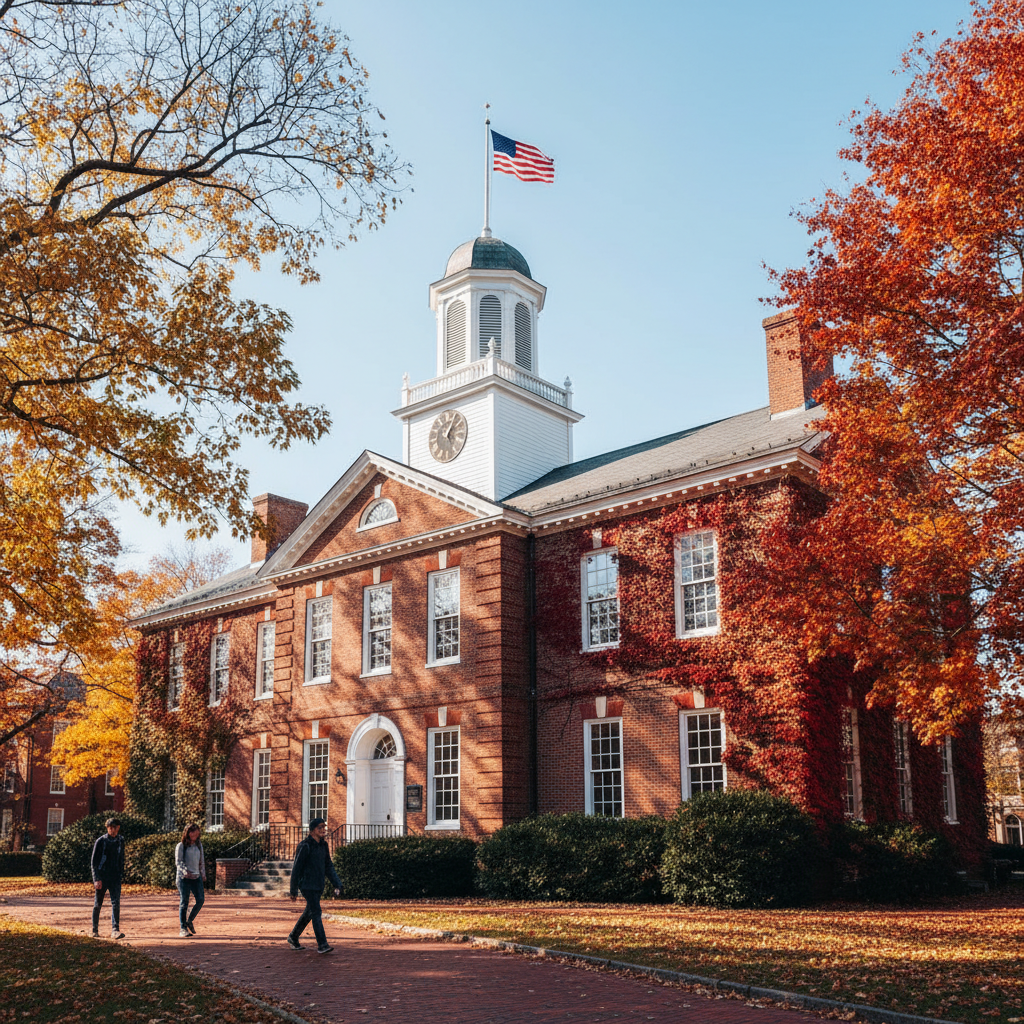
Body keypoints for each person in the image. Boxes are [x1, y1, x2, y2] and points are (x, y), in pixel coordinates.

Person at [287, 817, 341, 953]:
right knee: (316, 912)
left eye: (324, 827)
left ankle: (293, 937)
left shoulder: (324, 845)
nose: (323, 830)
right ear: (312, 831)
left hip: (318, 884)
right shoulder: (305, 846)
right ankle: (322, 945)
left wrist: (337, 884)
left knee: (309, 912)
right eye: (320, 828)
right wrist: (293, 890)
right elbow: (296, 869)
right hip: (306, 885)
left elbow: (328, 866)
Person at [91, 817, 125, 939]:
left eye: (115, 828)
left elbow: (121, 858)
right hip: (102, 877)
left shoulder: (121, 841)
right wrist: (96, 879)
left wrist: (121, 873)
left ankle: (115, 929)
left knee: (116, 903)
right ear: (107, 828)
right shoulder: (101, 841)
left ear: (118, 828)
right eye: (111, 828)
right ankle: (94, 930)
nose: (113, 830)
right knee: (97, 904)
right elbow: (94, 862)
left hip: (115, 877)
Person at [174, 823, 207, 938]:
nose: (195, 835)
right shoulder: (181, 846)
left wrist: (202, 873)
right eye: (193, 833)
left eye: (197, 833)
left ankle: (189, 920)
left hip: (196, 876)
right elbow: (178, 862)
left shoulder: (198, 845)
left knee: (200, 899)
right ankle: (183, 928)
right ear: (188, 833)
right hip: (184, 878)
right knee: (184, 902)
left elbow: (201, 860)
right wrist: (185, 871)